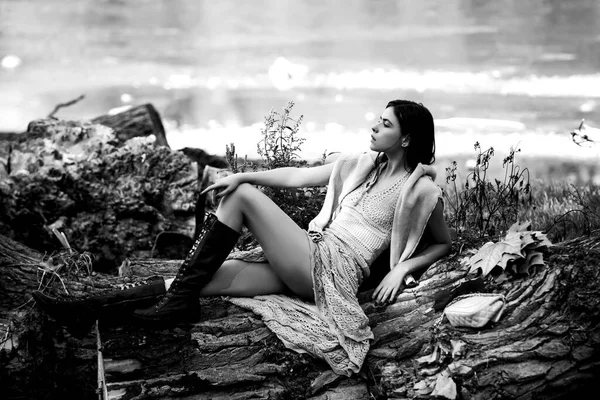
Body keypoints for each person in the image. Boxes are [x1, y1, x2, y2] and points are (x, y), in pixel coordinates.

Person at [32, 99, 452, 375]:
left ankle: (176, 305)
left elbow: (442, 243)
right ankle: (86, 308)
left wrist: (404, 270)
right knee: (197, 280)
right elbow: (298, 176)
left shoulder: (420, 192)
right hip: (308, 256)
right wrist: (246, 171)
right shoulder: (359, 163)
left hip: (332, 269)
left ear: (407, 137)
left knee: (242, 197)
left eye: (384, 124)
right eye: (376, 120)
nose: (373, 128)